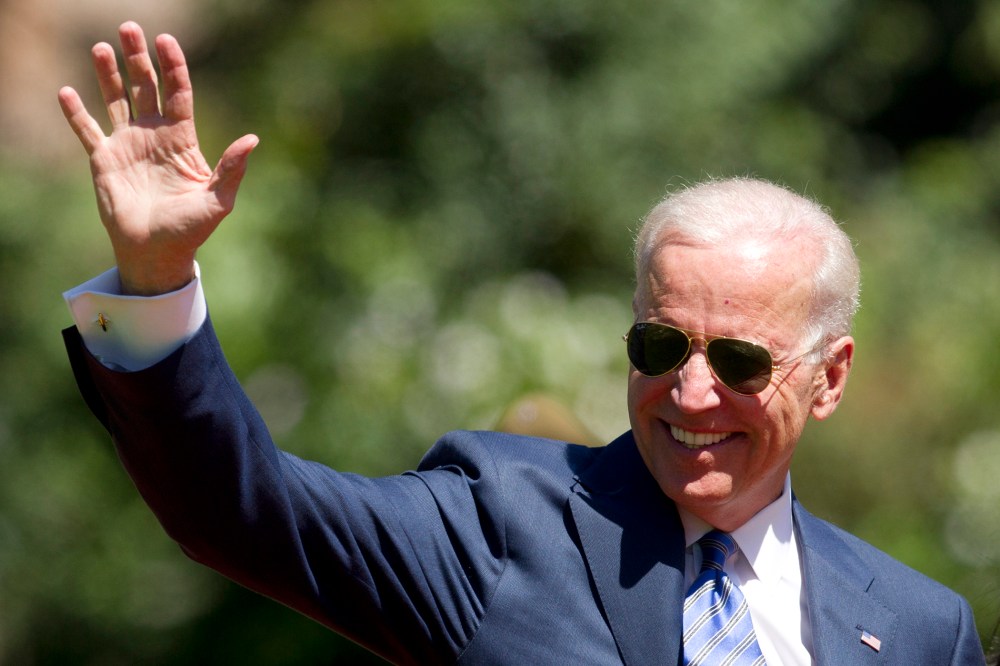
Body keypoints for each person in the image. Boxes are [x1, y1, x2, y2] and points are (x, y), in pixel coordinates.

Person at [59, 21, 987, 665]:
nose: (693, 394)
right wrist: (157, 282)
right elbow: (241, 510)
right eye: (662, 347)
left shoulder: (916, 628)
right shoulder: (500, 523)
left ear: (830, 379)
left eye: (740, 361)